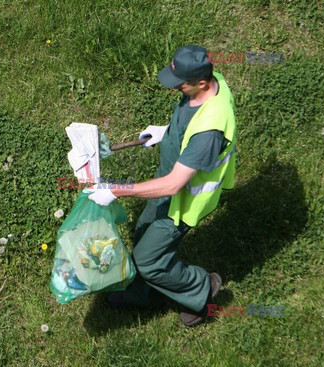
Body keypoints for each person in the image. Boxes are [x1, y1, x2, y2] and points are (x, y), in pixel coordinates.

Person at [87, 45, 237, 326]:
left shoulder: (210, 131)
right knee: (143, 234)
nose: (175, 88)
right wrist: (166, 133)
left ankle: (202, 288)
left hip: (181, 202)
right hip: (168, 182)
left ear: (201, 83)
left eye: (180, 84)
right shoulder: (208, 84)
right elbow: (187, 122)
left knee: (149, 260)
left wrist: (116, 190)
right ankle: (144, 294)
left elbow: (172, 185)